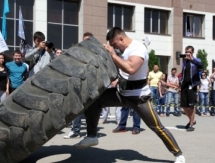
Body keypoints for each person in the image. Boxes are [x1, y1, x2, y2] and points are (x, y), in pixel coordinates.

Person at [74, 27, 185, 163]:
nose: (115, 48)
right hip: (122, 93)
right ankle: (91, 136)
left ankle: (178, 154)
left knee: (157, 127)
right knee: (94, 99)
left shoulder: (138, 48)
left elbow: (131, 69)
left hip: (139, 97)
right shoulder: (125, 51)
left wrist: (113, 55)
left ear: (121, 38)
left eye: (114, 44)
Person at [64, 32, 94, 139]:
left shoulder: (95, 53)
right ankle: (76, 131)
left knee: (89, 111)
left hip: (90, 86)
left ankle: (90, 132)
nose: (86, 42)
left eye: (89, 39)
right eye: (84, 39)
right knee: (77, 109)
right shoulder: (78, 52)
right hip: (79, 85)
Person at [180, 45, 202, 131]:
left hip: (192, 85)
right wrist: (180, 84)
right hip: (184, 85)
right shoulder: (184, 62)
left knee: (191, 106)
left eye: (189, 52)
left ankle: (191, 124)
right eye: (186, 52)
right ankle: (192, 120)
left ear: (192, 52)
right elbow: (183, 73)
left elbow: (201, 66)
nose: (187, 53)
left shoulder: (196, 60)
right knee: (184, 106)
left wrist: (192, 59)